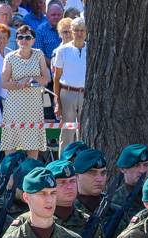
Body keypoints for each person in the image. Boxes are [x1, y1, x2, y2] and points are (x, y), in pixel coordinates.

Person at [0, 25, 48, 158]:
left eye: (27, 37)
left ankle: (30, 176)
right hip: (14, 106)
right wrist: (18, 84)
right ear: (16, 40)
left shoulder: (39, 54)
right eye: (20, 37)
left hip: (33, 106)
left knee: (33, 148)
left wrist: (31, 78)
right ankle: (9, 177)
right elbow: (3, 83)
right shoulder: (10, 57)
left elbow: (45, 79)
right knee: (11, 148)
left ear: (33, 40)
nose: (24, 40)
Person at [52, 16, 85, 151]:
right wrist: (57, 101)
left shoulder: (91, 49)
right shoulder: (62, 50)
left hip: (85, 93)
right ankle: (63, 165)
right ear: (71, 31)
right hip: (67, 93)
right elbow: (56, 77)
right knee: (67, 133)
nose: (79, 33)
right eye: (76, 30)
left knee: (83, 132)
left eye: (82, 30)